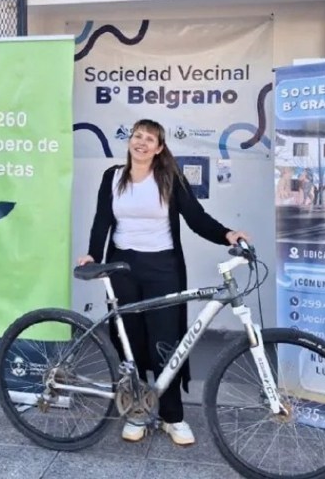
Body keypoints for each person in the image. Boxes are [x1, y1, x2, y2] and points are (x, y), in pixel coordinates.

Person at [77, 119, 248, 446]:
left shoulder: (169, 177)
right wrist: (92, 255)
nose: (141, 142)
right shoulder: (112, 177)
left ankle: (172, 416)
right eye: (137, 136)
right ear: (130, 141)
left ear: (158, 148)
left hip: (163, 266)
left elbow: (196, 219)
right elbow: (103, 219)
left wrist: (228, 233)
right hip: (122, 266)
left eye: (149, 139)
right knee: (130, 340)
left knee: (165, 341)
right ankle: (138, 410)